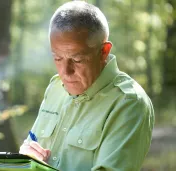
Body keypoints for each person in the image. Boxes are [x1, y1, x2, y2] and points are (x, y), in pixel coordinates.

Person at [18, 1, 154, 171]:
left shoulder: (129, 103)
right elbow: (31, 152)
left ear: (104, 52)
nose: (65, 72)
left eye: (77, 59)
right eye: (57, 58)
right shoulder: (56, 88)